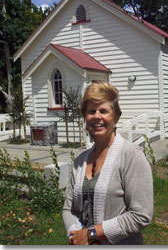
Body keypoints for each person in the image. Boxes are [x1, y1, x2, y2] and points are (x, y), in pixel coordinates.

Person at [62, 81, 153, 245]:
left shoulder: (131, 156)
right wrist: (76, 235)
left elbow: (141, 215)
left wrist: (91, 234)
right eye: (91, 111)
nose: (97, 116)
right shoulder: (80, 161)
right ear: (86, 118)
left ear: (115, 116)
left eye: (104, 111)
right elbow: (69, 208)